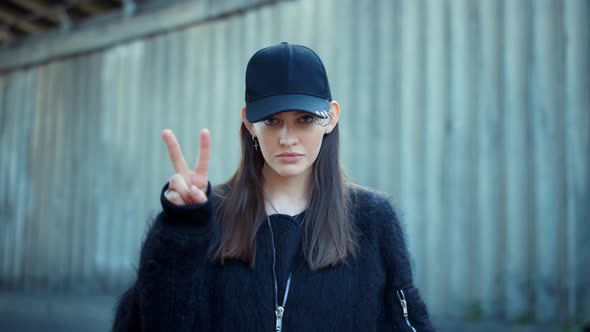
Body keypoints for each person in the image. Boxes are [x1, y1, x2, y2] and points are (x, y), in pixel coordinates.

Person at [112, 42, 434, 331]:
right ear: (250, 123)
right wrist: (179, 231)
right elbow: (152, 322)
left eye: (304, 119)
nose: (287, 137)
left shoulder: (373, 221)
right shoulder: (207, 220)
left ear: (331, 117)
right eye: (272, 120)